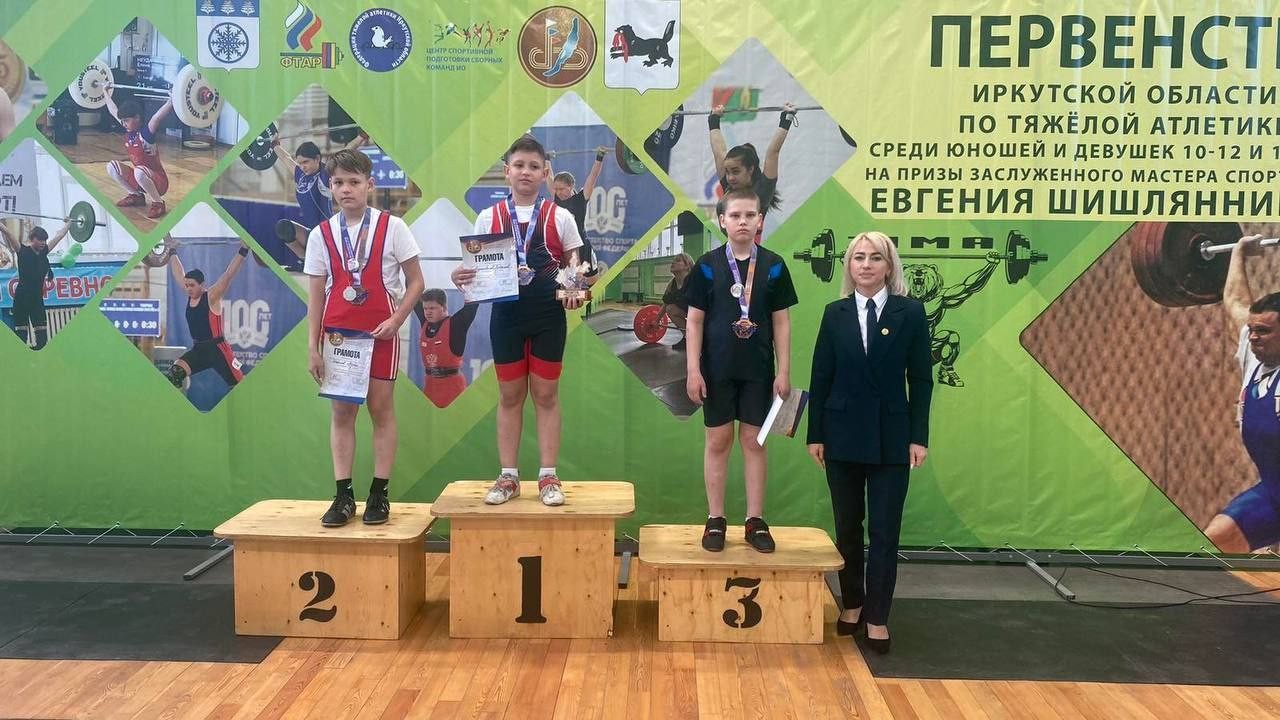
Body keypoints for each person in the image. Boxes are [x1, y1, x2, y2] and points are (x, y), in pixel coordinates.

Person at [807, 231, 933, 656]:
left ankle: (877, 616)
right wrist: (815, 434)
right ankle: (853, 603)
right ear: (849, 265)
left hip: (891, 439)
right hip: (840, 436)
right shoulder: (835, 313)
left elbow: (921, 380)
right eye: (859, 257)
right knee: (847, 526)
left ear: (889, 266)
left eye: (875, 257)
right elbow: (821, 376)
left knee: (884, 531)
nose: (866, 264)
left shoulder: (910, 312)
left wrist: (918, 437)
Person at [451, 135, 584, 507]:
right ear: (506, 171)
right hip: (506, 319)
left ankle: (548, 476)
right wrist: (460, 276)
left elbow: (574, 265)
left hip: (548, 318)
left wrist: (575, 288)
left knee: (546, 395)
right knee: (510, 396)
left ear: (545, 173)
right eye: (519, 165)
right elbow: (474, 269)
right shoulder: (488, 217)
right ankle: (508, 476)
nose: (526, 172)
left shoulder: (561, 217)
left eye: (534, 166)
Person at [305, 149, 424, 526]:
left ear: (369, 184)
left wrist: (397, 320)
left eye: (354, 182)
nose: (346, 189)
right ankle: (343, 496)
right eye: (339, 182)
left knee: (380, 409)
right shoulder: (320, 234)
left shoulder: (394, 227)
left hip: (380, 333)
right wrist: (312, 346)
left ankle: (379, 493)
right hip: (339, 337)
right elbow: (315, 295)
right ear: (330, 186)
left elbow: (416, 282)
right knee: (342, 413)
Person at [684, 188, 796, 553]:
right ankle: (715, 519)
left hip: (758, 372)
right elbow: (694, 322)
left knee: (754, 442)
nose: (743, 221)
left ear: (761, 219)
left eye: (750, 215)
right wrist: (693, 370)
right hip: (716, 370)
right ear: (722, 220)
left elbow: (781, 322)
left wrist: (783, 371)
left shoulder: (774, 266)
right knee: (718, 441)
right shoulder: (706, 266)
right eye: (735, 215)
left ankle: (754, 520)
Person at [1203, 234, 1280, 553]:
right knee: (1213, 545)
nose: (1253, 337)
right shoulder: (1254, 359)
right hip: (1273, 495)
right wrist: (1239, 252)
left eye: (1264, 331)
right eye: (1252, 330)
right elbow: (1235, 301)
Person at [164, 236, 250, 390]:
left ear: (202, 285)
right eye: (186, 285)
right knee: (174, 374)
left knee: (241, 388)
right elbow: (178, 273)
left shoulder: (211, 296)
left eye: (192, 285)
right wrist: (172, 250)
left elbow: (228, 275)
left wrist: (243, 250)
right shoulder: (190, 293)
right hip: (199, 350)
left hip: (218, 350)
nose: (188, 288)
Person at [273, 132, 369, 261]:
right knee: (283, 227)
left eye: (306, 162)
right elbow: (286, 158)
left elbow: (345, 152)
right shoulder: (300, 176)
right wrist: (274, 145)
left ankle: (325, 258)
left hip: (330, 235)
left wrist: (361, 136)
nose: (302, 166)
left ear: (317, 159)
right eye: (300, 163)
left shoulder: (324, 174)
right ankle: (305, 259)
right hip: (314, 235)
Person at [708, 102, 795, 243]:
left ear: (750, 169)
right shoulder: (730, 187)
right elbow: (719, 152)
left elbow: (773, 153)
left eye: (736, 172)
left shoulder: (762, 191)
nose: (729, 177)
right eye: (727, 172)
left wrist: (787, 117)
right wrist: (713, 119)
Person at [103, 88, 173, 220]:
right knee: (111, 166)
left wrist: (171, 100)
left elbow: (157, 118)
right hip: (141, 179)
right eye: (122, 121)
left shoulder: (146, 134)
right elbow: (113, 111)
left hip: (159, 182)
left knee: (139, 171)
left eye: (126, 120)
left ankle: (158, 203)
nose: (123, 124)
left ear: (137, 117)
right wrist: (105, 91)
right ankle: (136, 196)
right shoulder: (129, 130)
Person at [0, 220, 70, 349]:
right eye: (40, 240)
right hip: (22, 299)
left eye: (45, 240)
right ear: (32, 239)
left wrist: (69, 223)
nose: (43, 243)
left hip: (37, 299)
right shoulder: (22, 250)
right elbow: (8, 232)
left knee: (42, 341)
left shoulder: (44, 252)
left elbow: (59, 236)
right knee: (21, 338)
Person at [414, 288, 479, 408]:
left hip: (453, 390)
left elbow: (473, 303)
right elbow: (412, 288)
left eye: (432, 308)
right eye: (425, 308)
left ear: (444, 307)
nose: (428, 312)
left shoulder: (456, 324)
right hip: (430, 388)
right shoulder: (425, 322)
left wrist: (464, 283)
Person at [661, 252, 694, 350]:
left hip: (708, 312)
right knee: (671, 309)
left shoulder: (695, 281)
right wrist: (656, 320)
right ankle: (688, 338)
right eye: (673, 261)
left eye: (677, 261)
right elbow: (666, 304)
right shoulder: (672, 284)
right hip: (691, 311)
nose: (673, 263)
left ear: (687, 266)